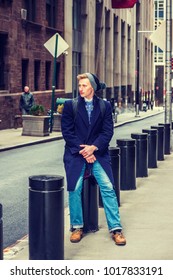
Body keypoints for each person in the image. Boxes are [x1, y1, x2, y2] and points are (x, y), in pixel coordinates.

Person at [61, 73, 126, 246]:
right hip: (76, 154)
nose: (80, 88)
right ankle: (76, 227)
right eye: (79, 85)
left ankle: (116, 229)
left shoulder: (105, 106)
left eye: (84, 85)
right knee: (75, 188)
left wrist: (94, 148)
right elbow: (67, 132)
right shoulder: (70, 106)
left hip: (98, 153)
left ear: (92, 87)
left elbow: (107, 132)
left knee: (108, 187)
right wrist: (84, 151)